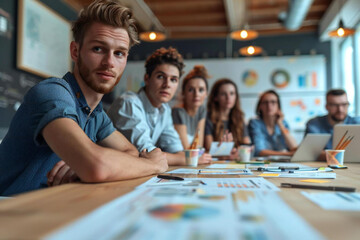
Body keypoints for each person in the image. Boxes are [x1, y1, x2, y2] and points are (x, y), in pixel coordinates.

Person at [0, 0, 168, 196]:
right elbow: (97, 166)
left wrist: (84, 163)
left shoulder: (96, 114)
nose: (109, 63)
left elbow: (129, 152)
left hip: (51, 207)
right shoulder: (52, 93)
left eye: (119, 53)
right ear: (75, 51)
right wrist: (154, 165)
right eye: (98, 49)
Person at [107, 48, 212, 166]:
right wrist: (192, 159)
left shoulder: (164, 110)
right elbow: (146, 153)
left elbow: (176, 149)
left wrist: (185, 157)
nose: (167, 85)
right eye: (161, 77)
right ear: (147, 78)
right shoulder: (129, 103)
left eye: (173, 80)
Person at [204, 78, 251, 156]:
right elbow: (209, 149)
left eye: (232, 93)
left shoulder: (239, 118)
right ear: (215, 97)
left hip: (235, 160)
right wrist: (225, 151)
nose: (228, 97)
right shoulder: (208, 119)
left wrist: (237, 152)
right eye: (223, 94)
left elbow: (248, 146)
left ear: (236, 96)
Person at [248, 90, 297, 156]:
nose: (269, 105)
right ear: (259, 106)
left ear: (278, 106)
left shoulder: (283, 123)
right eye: (265, 102)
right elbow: (259, 151)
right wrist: (287, 154)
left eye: (273, 102)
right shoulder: (255, 123)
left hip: (283, 162)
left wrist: (280, 125)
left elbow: (294, 147)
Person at [172, 65, 209, 149]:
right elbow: (187, 150)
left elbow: (198, 145)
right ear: (183, 93)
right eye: (191, 90)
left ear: (206, 94)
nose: (196, 94)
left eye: (201, 90)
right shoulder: (178, 112)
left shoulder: (201, 110)